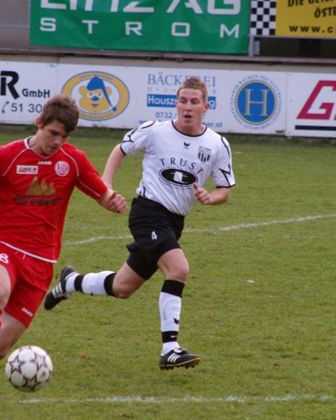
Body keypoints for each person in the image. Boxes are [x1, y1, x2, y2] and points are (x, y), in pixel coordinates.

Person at [0, 95, 127, 420]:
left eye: (64, 137)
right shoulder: (7, 156)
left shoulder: (72, 161)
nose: (57, 142)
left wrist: (113, 201)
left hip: (41, 263)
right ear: (39, 124)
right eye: (52, 133)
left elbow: (101, 194)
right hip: (1, 245)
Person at [44, 77, 235, 371]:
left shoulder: (217, 145)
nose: (187, 107)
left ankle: (70, 281)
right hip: (147, 212)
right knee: (179, 269)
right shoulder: (156, 131)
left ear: (206, 106)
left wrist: (212, 197)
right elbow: (121, 149)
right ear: (176, 103)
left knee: (122, 287)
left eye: (194, 102)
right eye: (183, 100)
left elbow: (225, 190)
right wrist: (105, 183)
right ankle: (170, 348)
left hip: (174, 221)